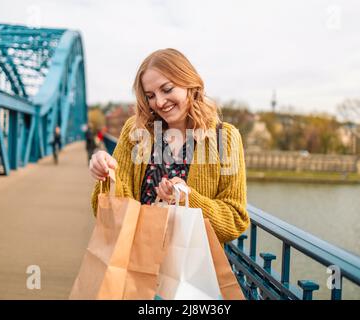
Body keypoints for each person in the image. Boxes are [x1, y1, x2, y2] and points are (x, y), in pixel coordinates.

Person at [88, 48, 249, 243]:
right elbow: (106, 215)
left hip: (190, 267)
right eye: (150, 95)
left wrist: (186, 198)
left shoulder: (225, 138)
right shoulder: (137, 131)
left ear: (189, 83)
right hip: (137, 261)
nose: (160, 102)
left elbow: (235, 221)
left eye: (167, 89)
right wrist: (107, 174)